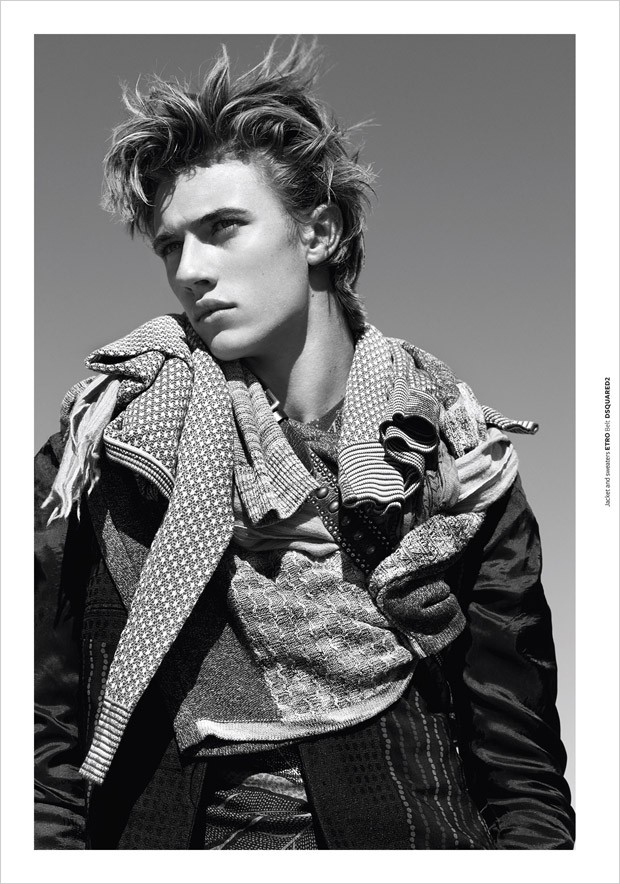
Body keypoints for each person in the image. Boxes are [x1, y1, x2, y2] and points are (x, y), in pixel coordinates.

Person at [34, 38, 575, 850]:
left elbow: (520, 761)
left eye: (223, 228)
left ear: (318, 232)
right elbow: (43, 735)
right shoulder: (109, 448)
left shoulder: (451, 462)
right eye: (170, 245)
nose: (190, 270)